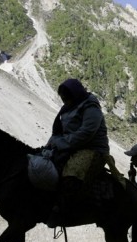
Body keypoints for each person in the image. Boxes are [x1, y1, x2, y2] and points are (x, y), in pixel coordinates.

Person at [45, 78, 111, 227]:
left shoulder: (91, 107)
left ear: (74, 94)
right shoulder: (67, 108)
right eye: (63, 99)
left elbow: (86, 133)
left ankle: (63, 210)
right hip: (71, 147)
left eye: (67, 98)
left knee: (72, 173)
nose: (65, 101)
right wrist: (49, 145)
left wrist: (61, 143)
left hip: (93, 149)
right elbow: (59, 131)